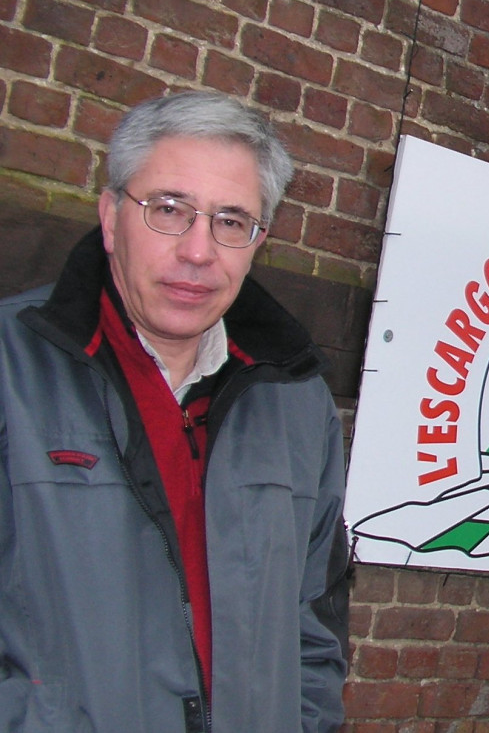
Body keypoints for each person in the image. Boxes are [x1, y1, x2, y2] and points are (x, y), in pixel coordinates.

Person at [0, 91, 348, 731]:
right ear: (110, 218)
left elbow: (315, 617)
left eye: (231, 221)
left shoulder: (299, 403)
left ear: (257, 241)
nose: (198, 250)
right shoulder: (12, 372)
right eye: (168, 210)